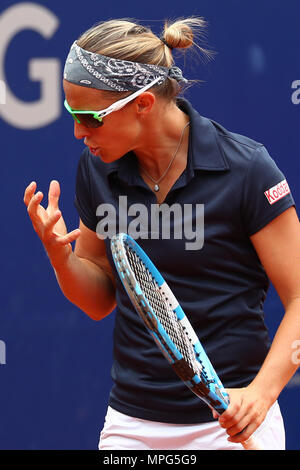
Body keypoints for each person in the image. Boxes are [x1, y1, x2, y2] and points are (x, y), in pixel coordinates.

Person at [24, 17, 300, 450]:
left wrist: (260, 396)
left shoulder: (247, 169)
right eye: (71, 114)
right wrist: (61, 257)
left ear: (143, 104)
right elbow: (98, 301)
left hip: (235, 418)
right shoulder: (96, 170)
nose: (78, 132)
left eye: (90, 118)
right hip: (131, 424)